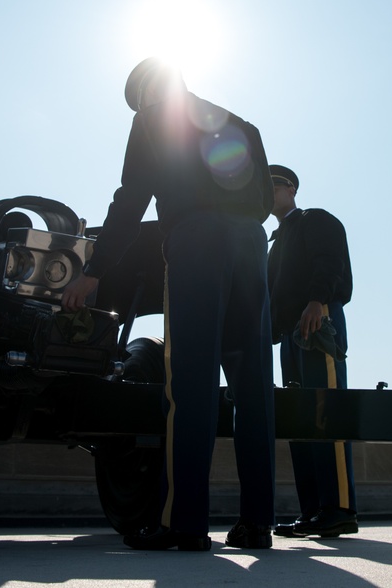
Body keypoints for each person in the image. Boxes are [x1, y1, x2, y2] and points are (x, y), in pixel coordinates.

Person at [62, 58, 277, 551]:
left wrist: (95, 270)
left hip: (197, 243)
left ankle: (184, 523)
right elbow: (264, 200)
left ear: (146, 91)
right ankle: (256, 523)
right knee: (254, 392)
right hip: (250, 247)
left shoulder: (151, 119)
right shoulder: (243, 126)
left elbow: (131, 195)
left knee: (190, 383)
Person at [266, 164, 358, 538]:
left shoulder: (314, 219)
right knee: (299, 421)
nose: (265, 191)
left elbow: (330, 261)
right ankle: (312, 512)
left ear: (290, 188)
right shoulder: (275, 240)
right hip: (290, 335)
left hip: (318, 322)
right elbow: (273, 295)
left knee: (327, 411)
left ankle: (338, 509)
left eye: (270, 184)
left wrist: (318, 300)